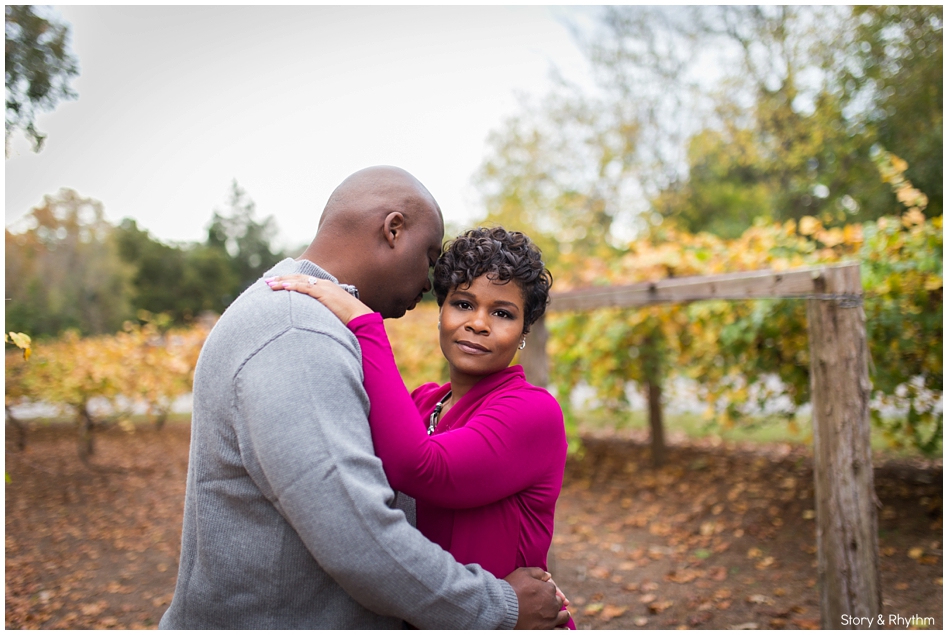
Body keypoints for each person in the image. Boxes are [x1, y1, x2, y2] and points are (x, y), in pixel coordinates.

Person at [159, 167, 568, 629]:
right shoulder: (298, 331)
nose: (427, 280)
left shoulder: (298, 317)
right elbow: (360, 539)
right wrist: (497, 605)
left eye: (502, 313)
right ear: (394, 230)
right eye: (430, 257)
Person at [268, 226, 575, 630]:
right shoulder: (423, 402)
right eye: (463, 304)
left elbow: (421, 468)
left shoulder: (533, 412)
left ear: (523, 332)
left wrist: (365, 323)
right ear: (442, 311)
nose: (479, 323)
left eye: (502, 313)